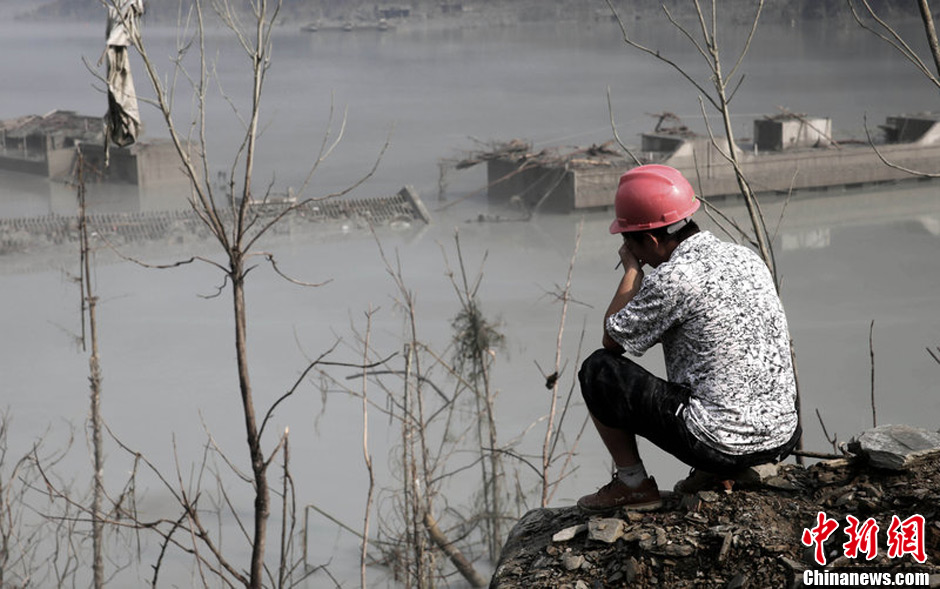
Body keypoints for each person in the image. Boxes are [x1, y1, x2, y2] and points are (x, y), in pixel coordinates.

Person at [576, 164, 800, 514]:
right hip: (781, 435)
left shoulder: (674, 279)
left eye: (628, 241)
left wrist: (632, 271)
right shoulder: (746, 257)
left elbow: (612, 338)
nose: (629, 249)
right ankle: (720, 473)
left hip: (721, 443)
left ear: (649, 240)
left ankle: (633, 484)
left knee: (597, 371)